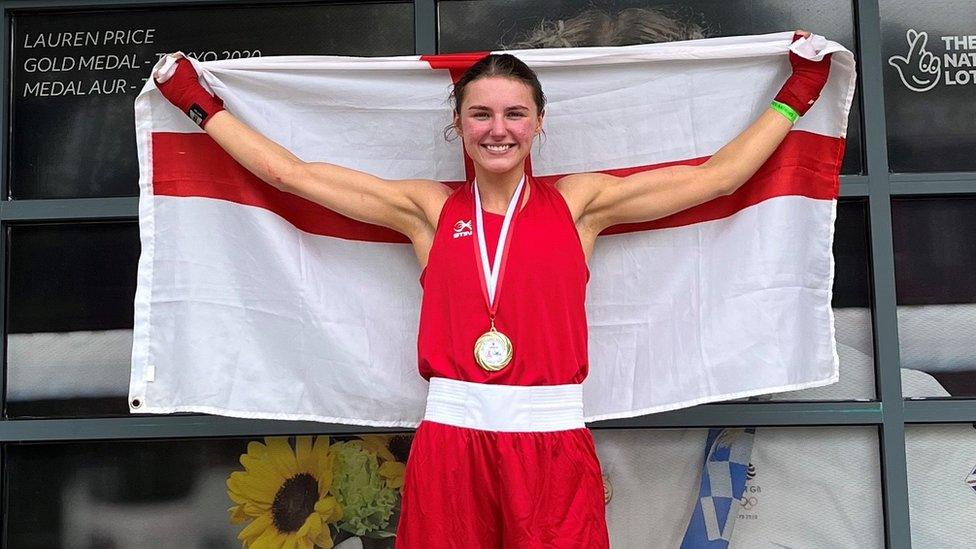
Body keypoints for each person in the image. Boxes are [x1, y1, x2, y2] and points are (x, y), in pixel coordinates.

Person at [154, 29, 830, 548]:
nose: (497, 129)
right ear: (458, 124)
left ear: (539, 122)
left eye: (513, 113)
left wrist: (797, 92)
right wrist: (196, 100)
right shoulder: (426, 209)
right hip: (451, 440)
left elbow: (716, 177)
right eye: (480, 114)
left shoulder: (578, 204)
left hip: (553, 441)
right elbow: (292, 175)